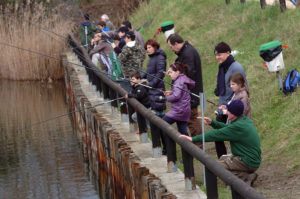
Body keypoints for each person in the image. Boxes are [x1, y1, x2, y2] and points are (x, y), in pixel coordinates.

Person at [180, 100, 261, 186]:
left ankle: (244, 177)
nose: (226, 113)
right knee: (223, 158)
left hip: (247, 161)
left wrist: (193, 139)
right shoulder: (244, 121)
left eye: (228, 111)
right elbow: (228, 128)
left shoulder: (238, 126)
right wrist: (212, 123)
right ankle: (245, 175)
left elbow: (216, 134)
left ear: (233, 113)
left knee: (214, 167)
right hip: (252, 159)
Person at [163, 62, 196, 190]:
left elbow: (176, 96)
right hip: (182, 109)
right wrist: (170, 92)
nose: (168, 74)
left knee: (163, 124)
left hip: (179, 111)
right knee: (182, 131)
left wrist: (167, 97)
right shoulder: (181, 80)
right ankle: (188, 152)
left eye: (170, 72)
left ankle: (170, 152)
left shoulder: (179, 81)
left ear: (177, 72)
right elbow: (177, 93)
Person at [167, 33, 203, 148]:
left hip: (190, 95)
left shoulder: (188, 54)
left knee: (193, 120)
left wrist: (177, 86)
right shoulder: (186, 51)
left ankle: (198, 147)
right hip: (188, 94)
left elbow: (188, 75)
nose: (171, 49)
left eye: (171, 47)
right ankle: (193, 146)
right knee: (189, 121)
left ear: (176, 44)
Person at [213, 42, 249, 158]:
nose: (217, 57)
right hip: (224, 107)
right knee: (217, 134)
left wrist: (230, 106)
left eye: (220, 54)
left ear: (228, 53)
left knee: (235, 138)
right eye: (216, 55)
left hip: (234, 109)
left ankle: (240, 159)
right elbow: (224, 87)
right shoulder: (222, 66)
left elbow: (243, 88)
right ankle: (222, 160)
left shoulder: (236, 67)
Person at [142, 39, 167, 156]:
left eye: (149, 48)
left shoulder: (160, 57)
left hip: (157, 92)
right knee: (154, 119)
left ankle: (166, 148)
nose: (147, 50)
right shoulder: (151, 58)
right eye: (146, 48)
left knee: (160, 120)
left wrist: (151, 84)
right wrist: (139, 77)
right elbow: (148, 73)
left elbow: (160, 73)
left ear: (155, 47)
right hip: (151, 92)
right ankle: (160, 146)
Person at [125, 71, 151, 142]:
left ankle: (145, 128)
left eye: (133, 79)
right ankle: (146, 127)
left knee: (135, 116)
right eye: (130, 79)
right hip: (142, 107)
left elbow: (139, 96)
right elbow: (134, 93)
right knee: (135, 116)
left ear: (139, 79)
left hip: (146, 107)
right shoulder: (136, 86)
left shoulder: (141, 87)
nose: (131, 81)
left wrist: (129, 95)